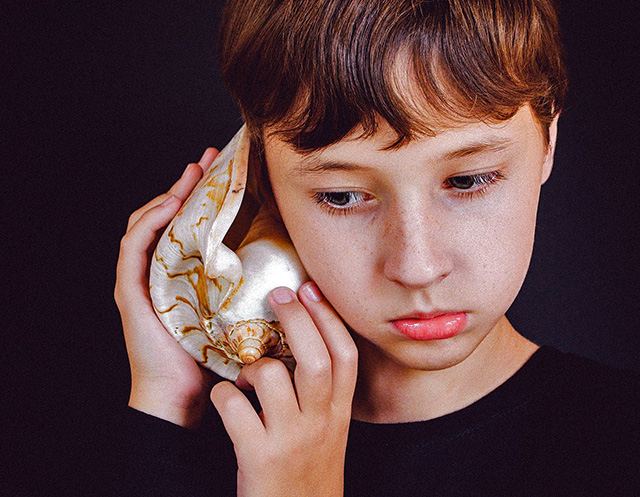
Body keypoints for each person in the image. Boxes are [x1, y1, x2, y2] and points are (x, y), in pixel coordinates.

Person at [111, 0, 639, 495]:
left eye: (469, 180)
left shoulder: (618, 444)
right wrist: (166, 407)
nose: (417, 267)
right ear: (260, 180)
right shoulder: (193, 440)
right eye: (342, 195)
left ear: (547, 143)